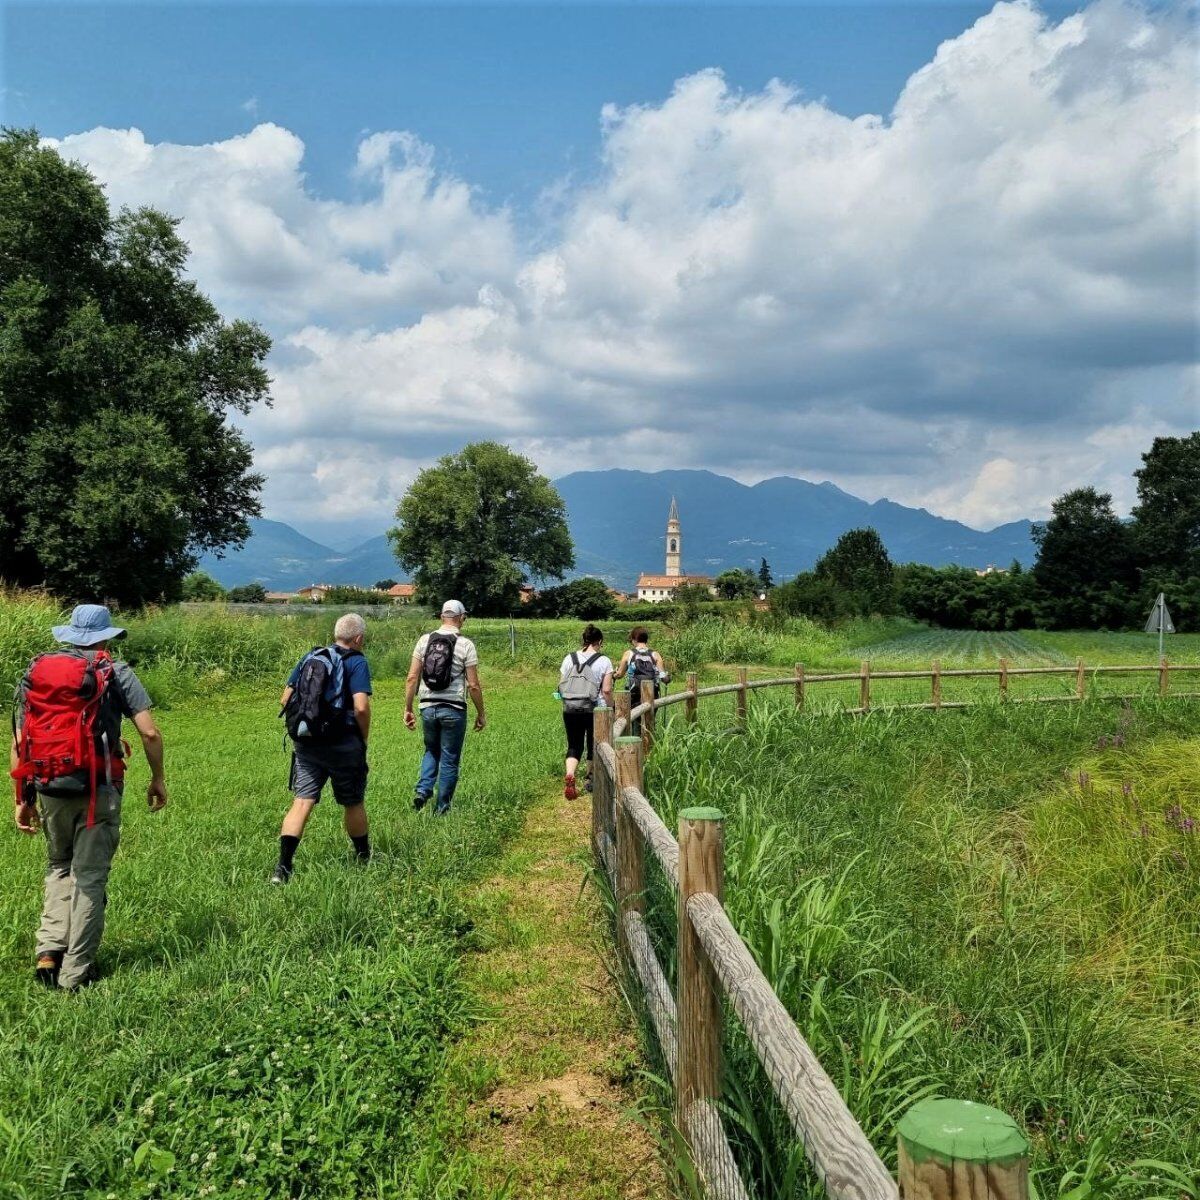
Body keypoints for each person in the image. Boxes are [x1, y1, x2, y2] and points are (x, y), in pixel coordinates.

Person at [10, 604, 167, 991]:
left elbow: (19, 739)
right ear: (105, 636)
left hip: (48, 785)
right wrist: (158, 778)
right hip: (99, 787)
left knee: (59, 865)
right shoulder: (115, 672)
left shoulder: (36, 673)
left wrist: (22, 796)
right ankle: (76, 972)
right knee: (90, 876)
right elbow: (149, 732)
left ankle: (48, 953)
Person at [271, 613, 372, 885]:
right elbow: (361, 707)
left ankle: (282, 869)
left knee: (302, 802)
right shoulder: (357, 662)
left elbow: (285, 698)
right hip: (343, 744)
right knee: (352, 802)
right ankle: (363, 859)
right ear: (359, 638)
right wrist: (363, 739)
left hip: (306, 743)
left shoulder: (311, 655)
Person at [405, 600, 485, 815]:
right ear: (462, 618)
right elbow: (474, 685)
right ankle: (442, 809)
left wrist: (408, 708)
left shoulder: (424, 640)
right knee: (449, 757)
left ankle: (423, 791)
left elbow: (412, 677)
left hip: (427, 707)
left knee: (431, 750)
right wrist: (481, 712)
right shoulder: (466, 644)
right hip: (454, 708)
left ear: (442, 617)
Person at [558, 624, 613, 800]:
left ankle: (570, 774)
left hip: (570, 708)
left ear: (584, 640)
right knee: (593, 744)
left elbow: (561, 686)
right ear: (600, 641)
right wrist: (612, 706)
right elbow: (606, 690)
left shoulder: (569, 658)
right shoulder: (604, 661)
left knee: (574, 745)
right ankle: (590, 779)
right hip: (594, 709)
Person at [616, 626, 669, 734]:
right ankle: (649, 747)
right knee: (649, 720)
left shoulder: (628, 654)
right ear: (646, 639)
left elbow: (620, 674)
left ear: (634, 639)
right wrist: (667, 678)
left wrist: (614, 674)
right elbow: (663, 676)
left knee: (635, 719)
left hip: (634, 693)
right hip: (652, 693)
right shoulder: (655, 654)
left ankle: (635, 743)